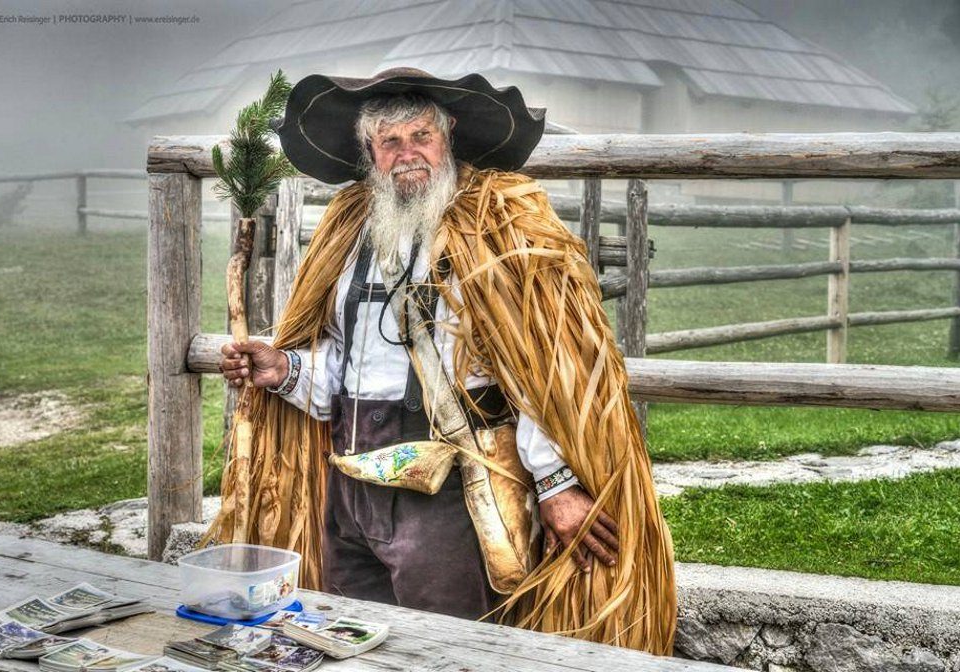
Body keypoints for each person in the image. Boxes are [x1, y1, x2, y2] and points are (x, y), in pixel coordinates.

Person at [213, 68, 675, 652]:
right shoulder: (350, 232)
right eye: (390, 143)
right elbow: (341, 366)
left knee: (450, 653)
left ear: (447, 134)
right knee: (350, 647)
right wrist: (282, 369)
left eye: (419, 137)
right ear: (369, 151)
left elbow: (537, 369)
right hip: (350, 488)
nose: (408, 156)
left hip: (450, 491)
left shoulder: (496, 229)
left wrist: (556, 483)